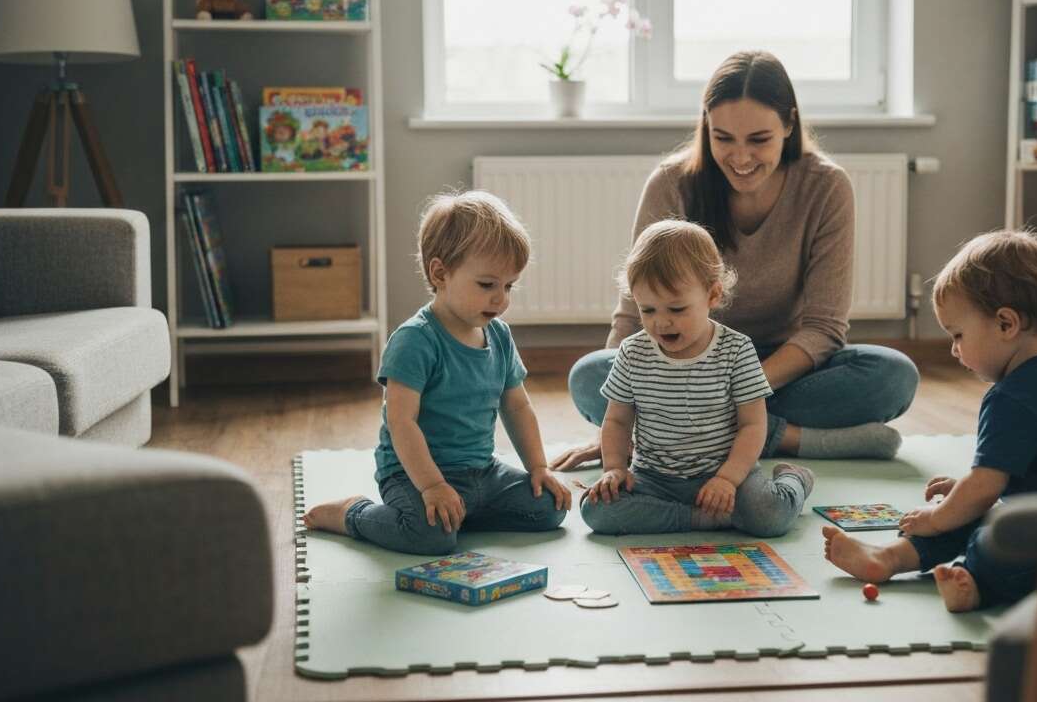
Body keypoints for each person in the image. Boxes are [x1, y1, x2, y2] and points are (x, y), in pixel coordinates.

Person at [554, 50, 918, 471]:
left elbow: (823, 330)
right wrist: (616, 414)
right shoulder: (673, 184)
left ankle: (714, 436)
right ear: (705, 127)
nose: (741, 158)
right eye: (723, 138)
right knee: (589, 376)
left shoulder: (827, 187)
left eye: (759, 140)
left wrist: (739, 388)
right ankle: (788, 439)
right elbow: (634, 315)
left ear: (789, 124)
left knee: (893, 375)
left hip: (781, 367)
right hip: (681, 364)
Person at [822, 231, 1037, 612]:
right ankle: (890, 558)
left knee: (985, 530)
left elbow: (985, 487)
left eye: (958, 335)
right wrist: (964, 493)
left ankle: (976, 583)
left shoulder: (1012, 396)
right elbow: (1016, 471)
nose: (953, 349)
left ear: (1005, 324)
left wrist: (937, 516)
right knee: (968, 511)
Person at [302, 190, 571, 554]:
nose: (501, 299)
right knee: (428, 536)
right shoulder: (415, 340)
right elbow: (402, 423)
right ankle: (353, 513)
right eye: (487, 285)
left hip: (482, 472)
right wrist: (431, 486)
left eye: (509, 286)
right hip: (414, 474)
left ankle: (459, 513)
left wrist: (538, 467)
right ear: (440, 273)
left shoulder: (499, 335)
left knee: (547, 509)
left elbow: (517, 407)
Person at [580, 219, 814, 536]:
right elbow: (618, 421)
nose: (661, 323)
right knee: (596, 511)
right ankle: (698, 518)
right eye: (647, 310)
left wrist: (728, 479)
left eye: (676, 309)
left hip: (724, 473)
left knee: (769, 516)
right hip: (654, 479)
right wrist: (614, 470)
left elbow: (753, 425)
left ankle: (794, 480)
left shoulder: (736, 350)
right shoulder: (633, 352)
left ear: (712, 295)